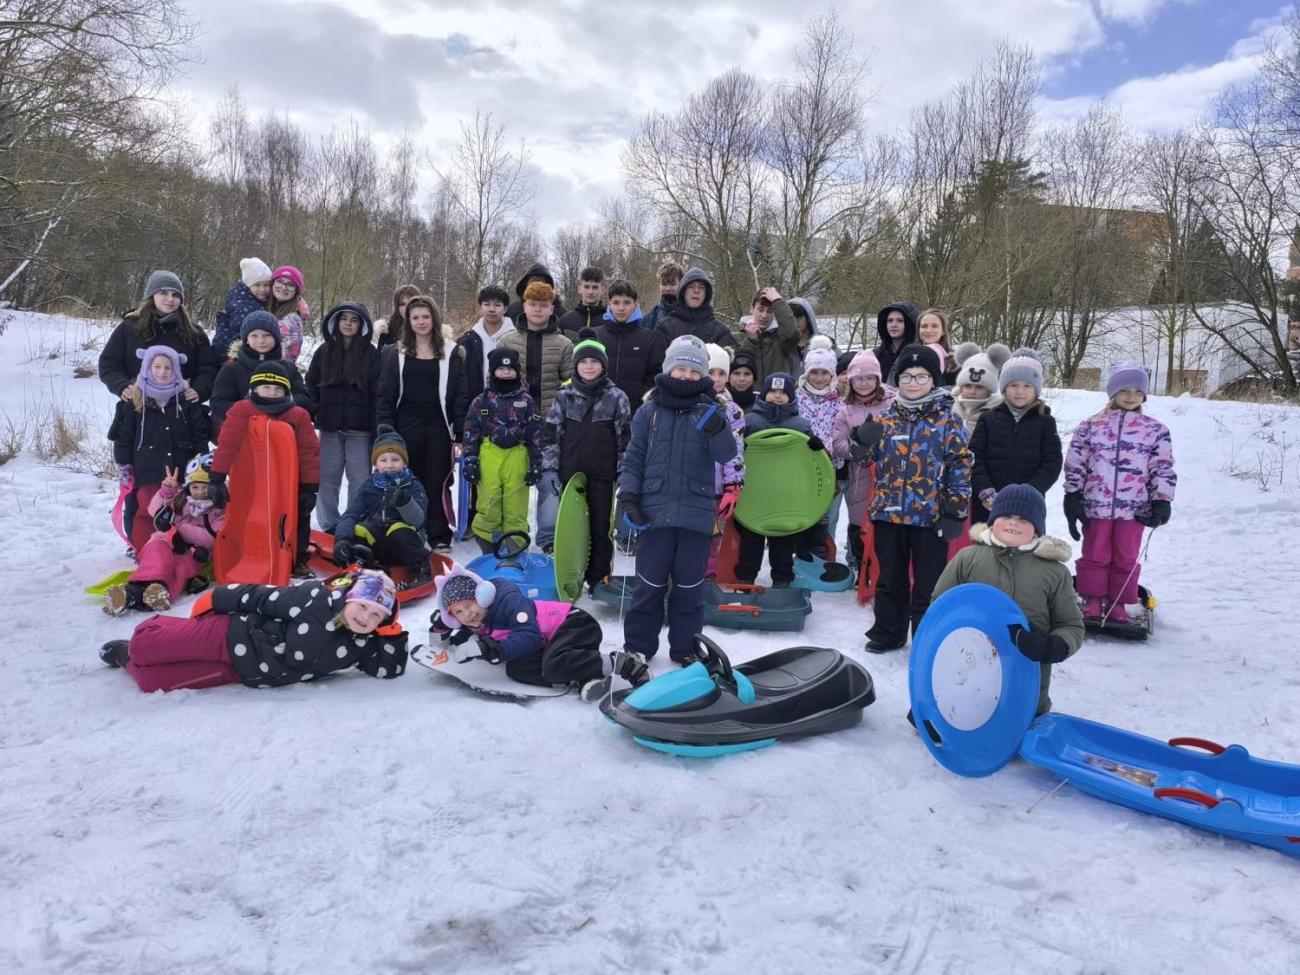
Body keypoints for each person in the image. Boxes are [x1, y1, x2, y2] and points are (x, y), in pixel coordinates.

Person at [620, 335, 738, 664]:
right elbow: (634, 458)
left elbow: (727, 454)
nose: (685, 374)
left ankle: (685, 648)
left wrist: (718, 429)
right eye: (680, 367)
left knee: (689, 588)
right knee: (648, 585)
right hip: (654, 512)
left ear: (702, 374)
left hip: (696, 513)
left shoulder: (711, 409)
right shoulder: (649, 412)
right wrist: (629, 497)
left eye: (693, 369)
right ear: (669, 368)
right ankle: (638, 646)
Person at [97, 569, 408, 692]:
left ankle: (126, 660)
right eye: (364, 606)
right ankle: (140, 642)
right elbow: (260, 596)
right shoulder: (315, 599)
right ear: (350, 597)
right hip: (228, 635)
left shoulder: (359, 644)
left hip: (239, 672)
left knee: (152, 682)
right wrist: (214, 600)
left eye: (377, 616)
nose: (366, 618)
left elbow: (388, 669)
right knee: (145, 646)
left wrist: (392, 630)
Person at [849, 344, 970, 651]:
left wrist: (955, 509)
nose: (913, 383)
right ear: (897, 380)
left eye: (921, 377)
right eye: (906, 376)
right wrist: (861, 445)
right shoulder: (885, 418)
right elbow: (865, 459)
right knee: (890, 577)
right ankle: (887, 631)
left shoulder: (948, 420)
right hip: (888, 512)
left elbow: (960, 464)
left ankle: (927, 636)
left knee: (928, 582)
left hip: (930, 515)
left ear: (934, 381)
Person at [932, 485, 1084, 716]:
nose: (1013, 523)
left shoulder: (1054, 573)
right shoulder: (968, 558)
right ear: (993, 520)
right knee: (966, 719)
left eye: (1023, 519)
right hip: (970, 669)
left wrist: (1053, 646)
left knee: (1016, 729)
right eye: (1006, 516)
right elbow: (940, 604)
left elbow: (1071, 625)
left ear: (1037, 529)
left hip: (1025, 680)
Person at [431, 565, 650, 701]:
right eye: (459, 612)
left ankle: (623, 663)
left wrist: (489, 649)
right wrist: (446, 633)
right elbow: (467, 632)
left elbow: (529, 637)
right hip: (551, 643)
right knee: (516, 669)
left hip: (574, 624)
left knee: (552, 665)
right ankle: (581, 676)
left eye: (469, 606)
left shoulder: (509, 603)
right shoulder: (477, 621)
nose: (467, 615)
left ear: (482, 597)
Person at [1063, 362, 1176, 624]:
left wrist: (1162, 500)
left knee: (1126, 555)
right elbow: (1076, 462)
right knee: (1096, 552)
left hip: (1134, 509)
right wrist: (1073, 494)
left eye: (1138, 391)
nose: (1130, 395)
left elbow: (1162, 467)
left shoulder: (1155, 430)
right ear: (1113, 391)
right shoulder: (1091, 426)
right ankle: (1092, 599)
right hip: (1096, 504)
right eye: (1124, 389)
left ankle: (1117, 603)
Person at [208, 360, 320, 576]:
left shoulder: (297, 415)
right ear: (254, 388)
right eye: (266, 387)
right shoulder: (242, 410)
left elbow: (309, 452)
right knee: (251, 516)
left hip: (288, 480)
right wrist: (217, 477)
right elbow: (227, 444)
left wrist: (309, 488)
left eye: (278, 389)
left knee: (297, 518)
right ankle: (245, 553)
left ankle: (298, 559)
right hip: (252, 478)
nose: (271, 392)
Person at [376, 295, 468, 553]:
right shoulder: (396, 353)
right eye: (415, 317)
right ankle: (408, 530)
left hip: (439, 425)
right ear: (409, 321)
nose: (421, 322)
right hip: (406, 423)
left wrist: (460, 428)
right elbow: (385, 393)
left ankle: (438, 532)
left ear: (434, 319)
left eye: (425, 317)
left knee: (438, 480)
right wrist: (385, 426)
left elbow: (460, 393)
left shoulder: (452, 352)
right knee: (407, 478)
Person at [541, 340, 631, 592]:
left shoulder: (617, 397)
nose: (589, 367)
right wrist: (549, 469)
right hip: (569, 475)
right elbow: (550, 436)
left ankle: (599, 578)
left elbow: (625, 439)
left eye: (594, 362)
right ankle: (570, 574)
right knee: (571, 528)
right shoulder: (563, 396)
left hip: (602, 475)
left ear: (603, 366)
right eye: (583, 362)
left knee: (600, 528)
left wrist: (625, 472)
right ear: (575, 366)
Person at [107, 346, 211, 553]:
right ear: (147, 367)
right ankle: (145, 549)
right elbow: (124, 437)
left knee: (181, 511)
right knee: (148, 510)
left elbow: (199, 435)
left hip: (181, 468)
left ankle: (181, 549)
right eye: (157, 367)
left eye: (167, 368)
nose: (162, 372)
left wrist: (202, 462)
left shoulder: (186, 400)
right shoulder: (136, 400)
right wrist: (125, 465)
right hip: (147, 469)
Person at [499, 281, 573, 552]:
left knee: (548, 483)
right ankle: (513, 536)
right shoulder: (508, 340)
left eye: (543, 305)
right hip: (514, 424)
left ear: (551, 308)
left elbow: (571, 384)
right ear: (525, 306)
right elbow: (494, 381)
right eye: (533, 305)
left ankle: (548, 539)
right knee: (514, 483)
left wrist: (560, 413)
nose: (537, 310)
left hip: (550, 426)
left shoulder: (564, 344)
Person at [103, 453, 225, 615]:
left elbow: (209, 539)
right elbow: (154, 511)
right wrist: (166, 492)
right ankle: (130, 593)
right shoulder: (182, 500)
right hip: (166, 545)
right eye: (195, 487)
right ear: (189, 487)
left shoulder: (219, 510)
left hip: (192, 553)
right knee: (156, 553)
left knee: (178, 568)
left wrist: (177, 527)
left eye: (205, 487)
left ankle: (149, 593)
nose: (200, 492)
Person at [734, 372, 817, 587]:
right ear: (764, 394)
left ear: (791, 396)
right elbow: (736, 450)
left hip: (786, 493)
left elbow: (811, 461)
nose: (777, 396)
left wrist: (817, 446)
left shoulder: (800, 425)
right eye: (772, 391)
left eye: (783, 393)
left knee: (782, 541)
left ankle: (782, 579)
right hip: (755, 492)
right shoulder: (750, 420)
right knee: (750, 540)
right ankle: (745, 577)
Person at [306, 302, 383, 534]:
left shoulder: (371, 354)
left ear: (362, 325)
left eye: (354, 320)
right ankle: (329, 525)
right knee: (327, 479)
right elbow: (310, 385)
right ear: (335, 322)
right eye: (344, 319)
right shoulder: (324, 351)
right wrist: (316, 410)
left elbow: (378, 392)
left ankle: (354, 522)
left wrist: (375, 423)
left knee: (359, 480)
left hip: (360, 430)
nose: (348, 324)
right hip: (330, 428)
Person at [970, 348, 1062, 529]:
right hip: (988, 503)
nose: (1020, 391)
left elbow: (1052, 462)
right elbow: (975, 458)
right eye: (1013, 385)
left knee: (1023, 549)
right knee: (986, 550)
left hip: (1028, 504)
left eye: (1027, 385)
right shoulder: (988, 419)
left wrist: (1031, 491)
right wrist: (985, 491)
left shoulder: (1045, 422)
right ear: (1004, 388)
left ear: (1036, 389)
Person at [462, 348, 542, 551]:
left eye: (510, 368)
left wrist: (536, 462)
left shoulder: (527, 401)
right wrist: (470, 459)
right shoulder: (481, 401)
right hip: (490, 454)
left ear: (517, 371)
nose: (506, 372)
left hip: (518, 454)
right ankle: (488, 547)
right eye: (501, 368)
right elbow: (471, 431)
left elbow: (535, 432)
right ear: (492, 372)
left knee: (515, 505)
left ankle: (514, 548)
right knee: (489, 502)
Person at [334, 426, 432, 590]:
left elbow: (419, 521)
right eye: (383, 460)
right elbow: (351, 514)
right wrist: (342, 539)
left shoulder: (413, 486)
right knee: (359, 529)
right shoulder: (370, 486)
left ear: (404, 461)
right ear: (376, 463)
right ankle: (364, 568)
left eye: (395, 459)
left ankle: (422, 569)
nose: (389, 465)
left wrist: (405, 502)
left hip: (404, 544)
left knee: (397, 529)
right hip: (377, 544)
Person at [99, 270, 218, 404]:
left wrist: (199, 389)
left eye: (175, 295)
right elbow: (109, 364)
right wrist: (121, 385)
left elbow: (208, 368)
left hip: (181, 408)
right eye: (163, 293)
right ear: (152, 295)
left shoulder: (194, 332)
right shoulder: (129, 327)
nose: (170, 299)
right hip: (137, 405)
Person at [831, 350, 896, 576]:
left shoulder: (893, 401)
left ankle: (885, 570)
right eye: (858, 378)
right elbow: (837, 442)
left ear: (877, 379)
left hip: (890, 474)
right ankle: (862, 566)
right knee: (859, 521)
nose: (864, 383)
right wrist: (855, 450)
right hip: (859, 474)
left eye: (869, 377)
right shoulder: (845, 410)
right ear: (850, 381)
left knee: (886, 522)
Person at [209, 310, 309, 440]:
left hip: (281, 435)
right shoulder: (232, 368)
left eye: (267, 335)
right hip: (241, 436)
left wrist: (282, 405)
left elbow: (304, 398)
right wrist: (250, 410)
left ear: (276, 337)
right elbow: (218, 403)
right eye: (254, 336)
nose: (261, 341)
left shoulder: (288, 368)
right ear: (246, 339)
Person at [793, 341, 842, 561]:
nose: (819, 378)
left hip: (826, 466)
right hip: (799, 465)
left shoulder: (838, 402)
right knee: (801, 512)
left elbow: (841, 432)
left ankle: (820, 556)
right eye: (814, 372)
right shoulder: (796, 398)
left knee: (822, 515)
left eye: (824, 373)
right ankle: (800, 556)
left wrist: (827, 448)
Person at [588, 278, 666, 409]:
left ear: (635, 304)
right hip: (597, 411)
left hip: (636, 411)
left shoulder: (651, 338)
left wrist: (640, 396)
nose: (621, 308)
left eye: (627, 302)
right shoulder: (594, 335)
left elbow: (657, 377)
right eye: (616, 302)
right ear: (609, 304)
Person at [705, 344, 746, 577]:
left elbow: (736, 451)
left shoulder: (733, 411)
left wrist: (734, 485)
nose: (716, 379)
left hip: (720, 487)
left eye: (722, 374)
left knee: (714, 537)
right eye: (711, 372)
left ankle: (708, 578)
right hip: (693, 486)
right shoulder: (691, 405)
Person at [456, 285, 516, 405]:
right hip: (475, 407)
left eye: (497, 305)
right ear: (480, 308)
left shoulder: (516, 339)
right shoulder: (466, 341)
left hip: (511, 408)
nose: (491, 309)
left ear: (505, 309)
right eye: (487, 304)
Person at [653, 266, 737, 348]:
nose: (696, 291)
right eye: (691, 286)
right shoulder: (664, 326)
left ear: (706, 294)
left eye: (702, 287)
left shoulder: (720, 331)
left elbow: (734, 358)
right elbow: (655, 359)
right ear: (683, 291)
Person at [212, 258, 272, 361]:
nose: (262, 289)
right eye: (257, 285)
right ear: (248, 285)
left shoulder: (256, 301)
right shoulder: (244, 305)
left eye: (266, 285)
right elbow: (241, 333)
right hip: (234, 356)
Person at [737, 286, 799, 386]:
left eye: (770, 311)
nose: (764, 316)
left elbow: (792, 334)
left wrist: (778, 301)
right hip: (748, 399)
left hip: (778, 396)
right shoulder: (738, 337)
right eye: (760, 310)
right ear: (752, 309)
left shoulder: (781, 340)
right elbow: (736, 368)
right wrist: (750, 342)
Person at [950, 342, 1010, 435]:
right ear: (960, 386)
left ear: (989, 389)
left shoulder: (998, 413)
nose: (972, 391)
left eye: (979, 387)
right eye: (967, 386)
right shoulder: (948, 405)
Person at [268, 265, 308, 366]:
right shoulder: (270, 307)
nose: (283, 287)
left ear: (296, 291)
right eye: (280, 281)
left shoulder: (291, 320)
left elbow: (285, 359)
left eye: (290, 285)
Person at [872, 301, 918, 387]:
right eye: (890, 320)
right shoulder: (875, 355)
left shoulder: (918, 355)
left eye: (900, 321)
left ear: (910, 323)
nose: (893, 325)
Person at [785, 298, 836, 375]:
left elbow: (840, 372)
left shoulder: (826, 345)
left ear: (808, 318)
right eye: (791, 318)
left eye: (799, 317)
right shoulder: (780, 346)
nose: (795, 321)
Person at [557, 266, 607, 340]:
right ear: (579, 288)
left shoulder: (610, 321)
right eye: (586, 287)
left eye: (595, 287)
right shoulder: (565, 321)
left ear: (602, 290)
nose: (590, 292)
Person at [918, 309, 958, 386]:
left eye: (934, 326)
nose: (928, 330)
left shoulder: (954, 360)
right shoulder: (908, 355)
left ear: (943, 331)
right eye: (924, 326)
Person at [375, 284, 421, 348]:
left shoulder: (428, 331)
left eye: (411, 303)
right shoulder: (386, 332)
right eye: (402, 304)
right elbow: (380, 357)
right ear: (396, 306)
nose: (407, 308)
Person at [643, 262, 683, 331]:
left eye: (672, 284)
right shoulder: (652, 316)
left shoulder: (692, 312)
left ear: (682, 283)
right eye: (664, 284)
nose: (668, 288)